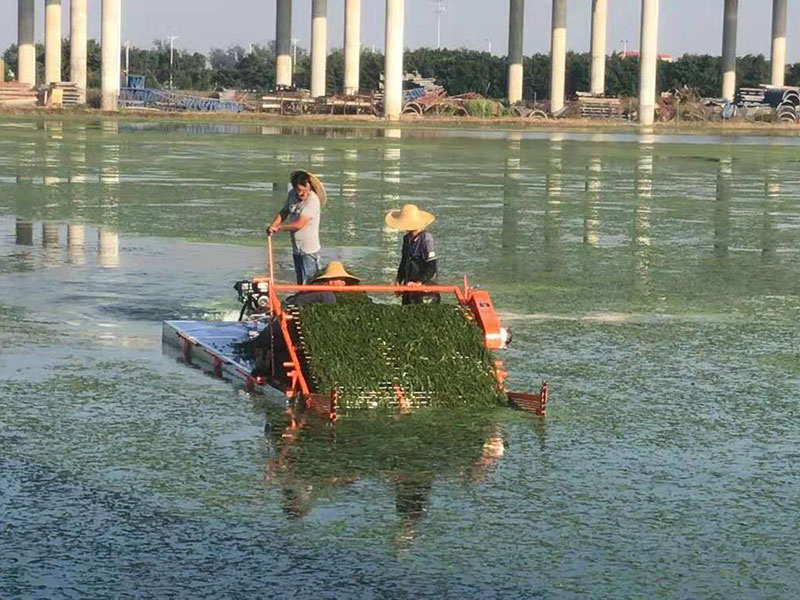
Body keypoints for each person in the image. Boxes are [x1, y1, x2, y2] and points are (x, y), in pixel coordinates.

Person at [268, 170, 325, 284]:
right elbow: (284, 212)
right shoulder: (292, 195)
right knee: (300, 282)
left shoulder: (312, 201)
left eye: (302, 190)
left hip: (309, 251)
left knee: (309, 283)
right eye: (297, 190)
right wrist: (273, 225)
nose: (300, 194)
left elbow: (299, 224)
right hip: (296, 249)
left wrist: (279, 228)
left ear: (308, 186)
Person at [385, 204, 440, 305]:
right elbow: (404, 261)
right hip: (409, 284)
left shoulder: (426, 239)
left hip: (425, 288)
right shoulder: (407, 238)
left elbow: (432, 266)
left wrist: (419, 282)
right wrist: (399, 281)